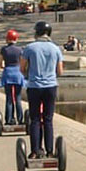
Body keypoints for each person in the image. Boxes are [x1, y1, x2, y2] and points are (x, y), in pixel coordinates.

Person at [21, 21, 64, 158]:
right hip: (50, 86)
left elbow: (22, 68)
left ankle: (35, 151)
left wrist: (29, 75)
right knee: (48, 119)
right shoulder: (56, 49)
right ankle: (50, 151)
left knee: (35, 119)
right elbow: (60, 71)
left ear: (36, 32)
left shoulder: (29, 48)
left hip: (34, 86)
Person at [0, 29, 27, 126]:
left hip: (8, 73)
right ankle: (20, 119)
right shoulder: (20, 50)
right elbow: (22, 62)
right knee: (18, 97)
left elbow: (0, 64)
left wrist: (5, 66)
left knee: (9, 98)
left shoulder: (4, 49)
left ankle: (9, 119)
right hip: (17, 73)